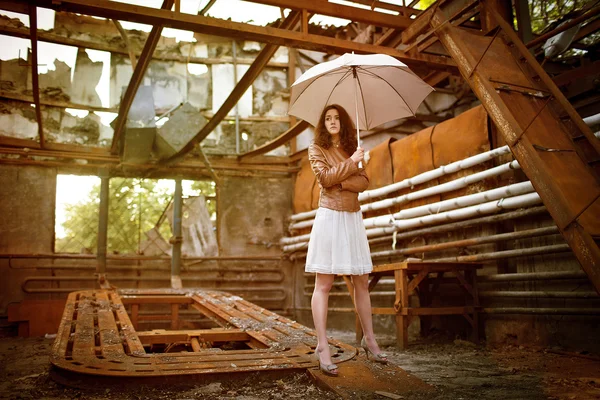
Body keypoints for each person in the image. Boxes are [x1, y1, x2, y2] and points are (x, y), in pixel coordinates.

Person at [306, 104, 388, 376]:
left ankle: (370, 340)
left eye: (336, 118)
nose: (332, 122)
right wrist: (350, 164)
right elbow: (324, 178)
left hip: (352, 217)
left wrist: (343, 177)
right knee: (325, 282)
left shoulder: (355, 147)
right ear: (323, 123)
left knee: (361, 281)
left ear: (343, 122)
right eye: (327, 118)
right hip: (330, 216)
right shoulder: (316, 149)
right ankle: (322, 345)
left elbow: (364, 182)